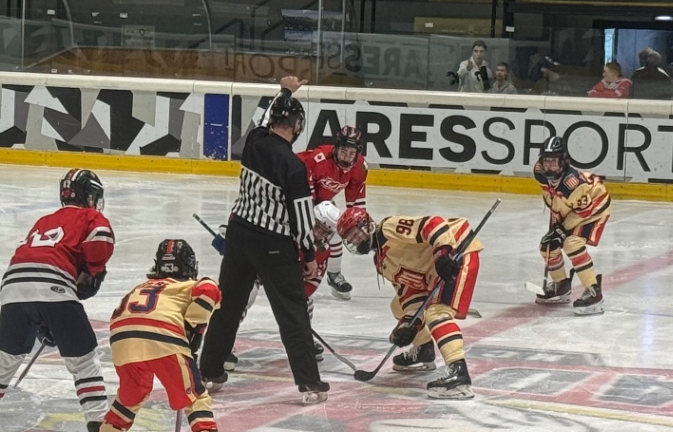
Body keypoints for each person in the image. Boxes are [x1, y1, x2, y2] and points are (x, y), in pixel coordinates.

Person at [0, 168, 113, 432]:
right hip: (53, 284)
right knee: (84, 360)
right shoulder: (91, 217)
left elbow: (37, 254)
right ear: (89, 196)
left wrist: (44, 321)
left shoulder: (44, 220)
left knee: (5, 356)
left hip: (13, 285)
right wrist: (94, 269)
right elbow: (100, 239)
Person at [196, 76, 327, 401]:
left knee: (227, 306)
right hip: (274, 244)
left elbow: (263, 116)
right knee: (292, 312)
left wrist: (285, 91)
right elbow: (301, 218)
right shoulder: (293, 166)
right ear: (297, 126)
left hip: (240, 237)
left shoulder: (253, 141)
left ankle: (209, 370)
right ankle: (309, 382)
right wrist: (309, 257)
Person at [83, 240, 234, 432]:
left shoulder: (141, 287)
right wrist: (192, 328)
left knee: (130, 396)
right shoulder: (190, 284)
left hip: (122, 340)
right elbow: (209, 290)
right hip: (163, 338)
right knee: (195, 397)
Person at [337, 206, 482, 399]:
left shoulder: (388, 229)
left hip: (456, 253)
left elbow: (433, 223)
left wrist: (441, 254)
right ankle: (424, 349)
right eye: (350, 239)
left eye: (356, 234)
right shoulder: (382, 264)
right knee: (397, 306)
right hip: (436, 273)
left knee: (437, 313)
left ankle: (459, 374)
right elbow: (411, 294)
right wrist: (409, 326)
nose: (355, 241)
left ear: (368, 224)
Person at [530, 137, 611, 313]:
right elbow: (555, 202)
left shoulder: (573, 185)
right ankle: (561, 285)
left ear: (564, 161)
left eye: (553, 161)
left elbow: (583, 211)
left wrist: (562, 231)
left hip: (594, 208)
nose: (548, 166)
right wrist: (555, 230)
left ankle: (593, 291)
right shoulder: (539, 172)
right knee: (548, 246)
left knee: (572, 244)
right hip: (570, 208)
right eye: (546, 160)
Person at [299, 124, 368, 300]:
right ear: (337, 148)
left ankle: (334, 274)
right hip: (294, 191)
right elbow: (304, 191)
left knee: (337, 229)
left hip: (322, 200)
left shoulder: (360, 166)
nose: (347, 157)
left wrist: (357, 225)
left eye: (352, 153)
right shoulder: (319, 159)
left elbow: (355, 203)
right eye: (344, 151)